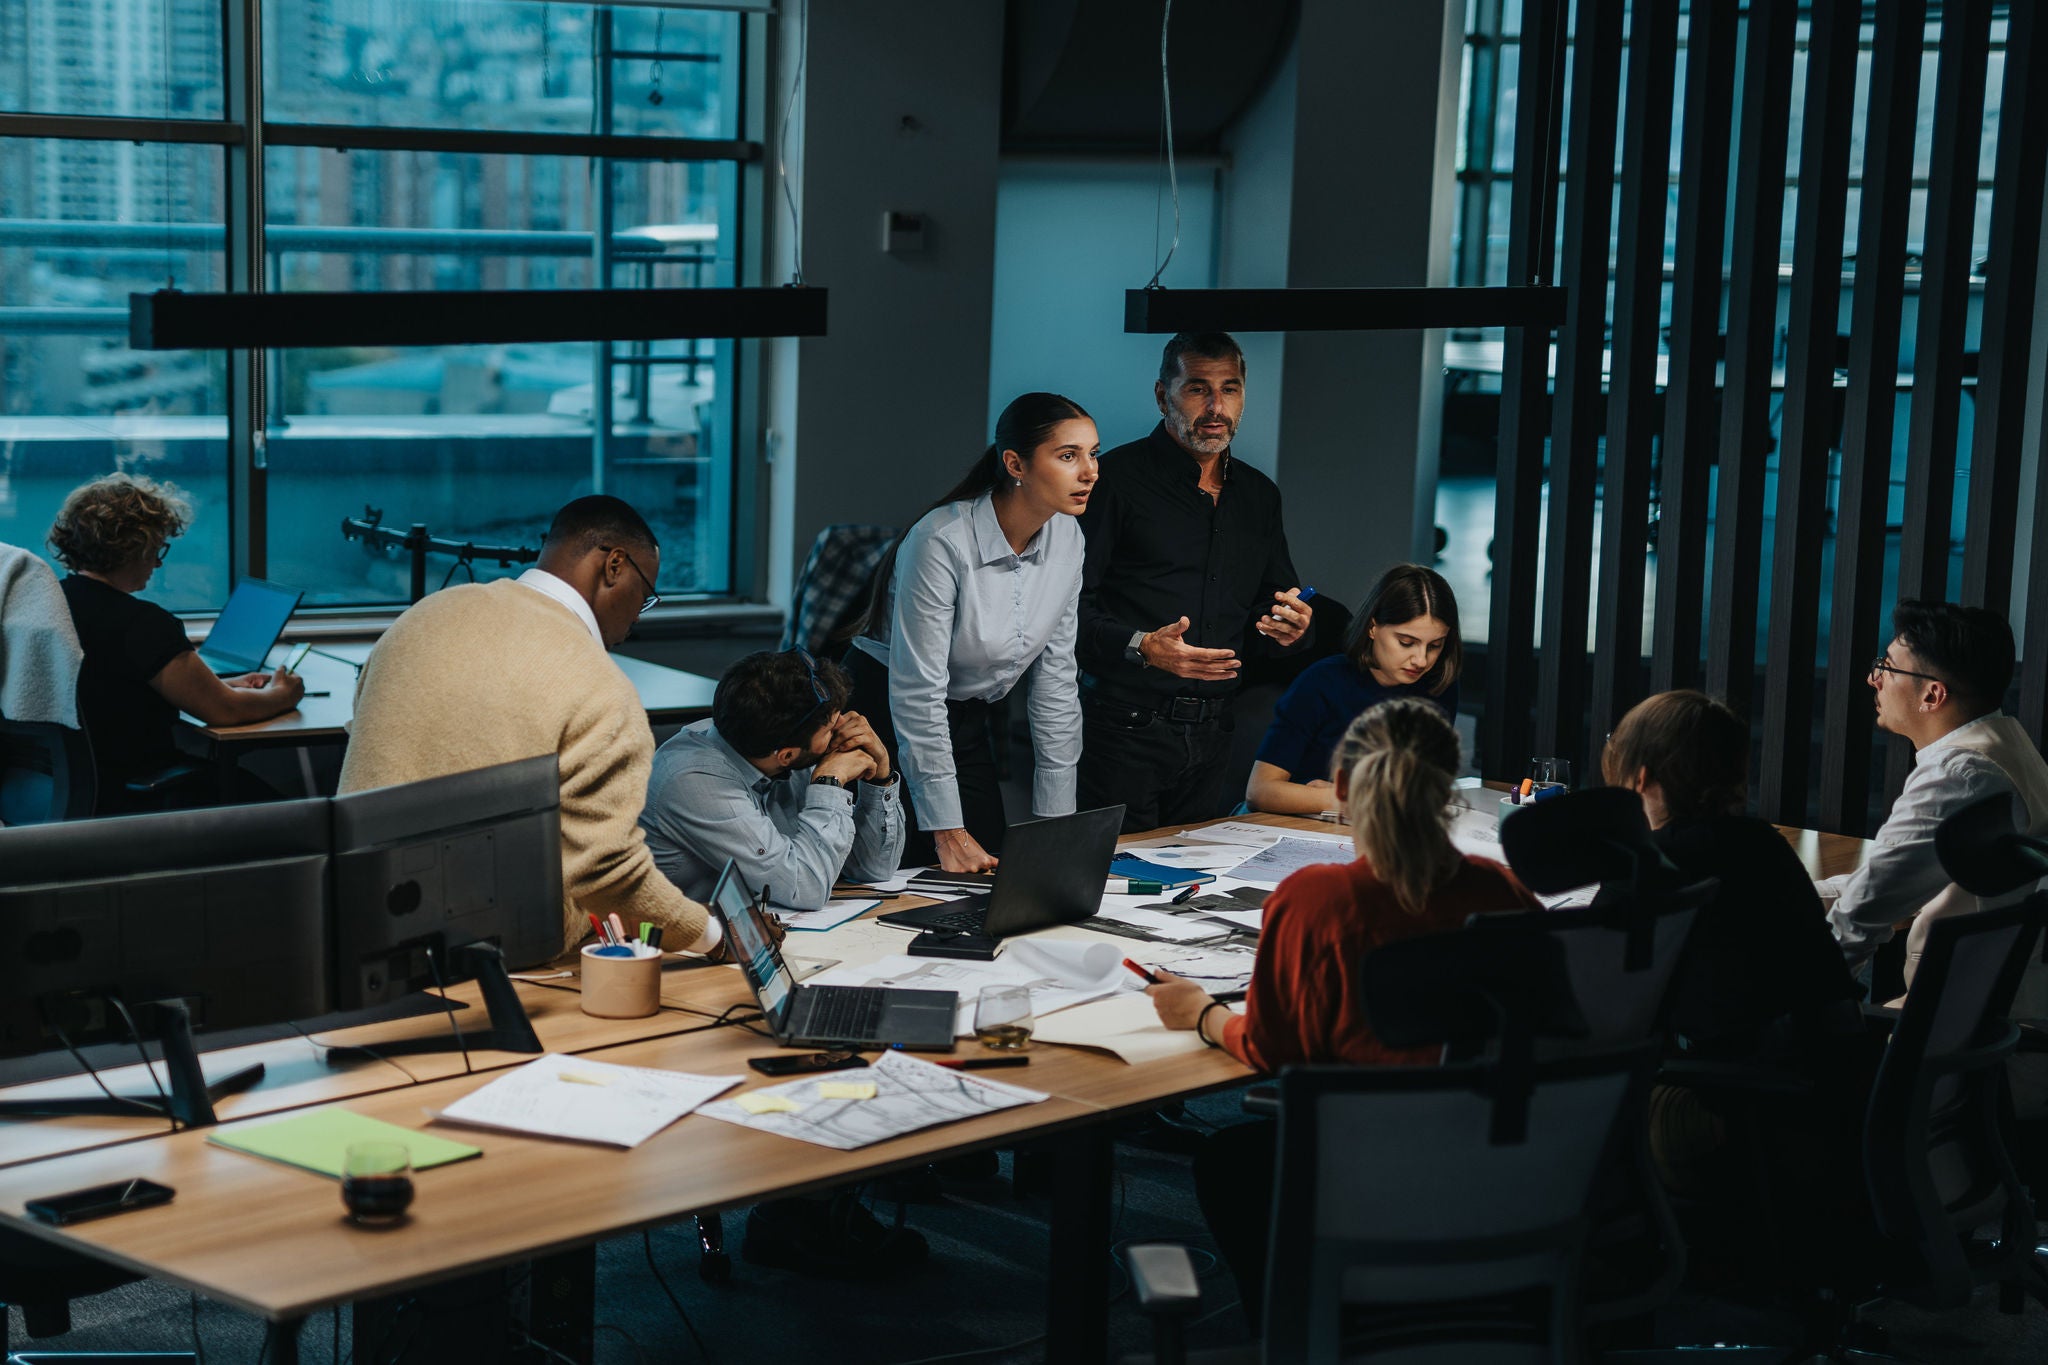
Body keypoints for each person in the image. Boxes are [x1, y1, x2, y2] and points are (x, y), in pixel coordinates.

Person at [1143, 699, 1539, 1319]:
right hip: (1494, 1154)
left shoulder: (1315, 900)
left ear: (1343, 786)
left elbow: (1274, 1048)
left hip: (1365, 1166)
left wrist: (1199, 1012)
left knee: (1231, 1162)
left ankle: (1292, 1326)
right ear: (1449, 785)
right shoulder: (1500, 890)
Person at [339, 495, 719, 959]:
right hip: (492, 959)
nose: (639, 615)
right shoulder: (599, 686)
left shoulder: (418, 619)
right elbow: (606, 874)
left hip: (352, 928)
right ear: (614, 566)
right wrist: (710, 936)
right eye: (646, 594)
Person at [1597, 691, 1866, 1201]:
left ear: (1640, 775)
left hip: (1721, 1103)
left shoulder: (1648, 866)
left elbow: (1590, 989)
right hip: (1820, 1087)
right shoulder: (1761, 843)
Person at [844, 392, 1097, 872]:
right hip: (884, 712)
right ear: (1015, 464)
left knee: (997, 870)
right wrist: (946, 830)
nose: (1089, 471)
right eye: (1068, 456)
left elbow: (1057, 684)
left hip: (965, 715)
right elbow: (918, 693)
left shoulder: (1069, 537)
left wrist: (1055, 826)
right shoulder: (941, 540)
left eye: (1092, 453)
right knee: (902, 873)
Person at [1076, 330, 1314, 833]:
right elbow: (1064, 608)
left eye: (1229, 389)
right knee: (1113, 887)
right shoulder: (1112, 481)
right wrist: (1142, 646)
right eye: (1197, 388)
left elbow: (1273, 606)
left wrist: (1290, 626)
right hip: (1122, 726)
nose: (1215, 406)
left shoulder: (1258, 495)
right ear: (1163, 395)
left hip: (1216, 731)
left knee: (1193, 886)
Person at [1818, 601, 2048, 1001]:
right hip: (1987, 1010)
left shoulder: (1959, 776)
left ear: (1932, 695)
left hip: (1954, 1025)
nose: (1874, 678)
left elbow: (1861, 914)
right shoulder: (2006, 744)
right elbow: (1884, 882)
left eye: (1887, 667)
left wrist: (1804, 1010)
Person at [46, 473, 304, 811]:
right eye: (155, 549)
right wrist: (283, 695)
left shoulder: (51, 605)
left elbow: (114, 683)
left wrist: (214, 683)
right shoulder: (141, 623)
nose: (158, 562)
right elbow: (224, 710)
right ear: (132, 547)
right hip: (141, 794)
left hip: (61, 791)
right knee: (298, 815)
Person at [641, 648, 905, 908]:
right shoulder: (693, 781)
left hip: (766, 929)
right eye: (831, 726)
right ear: (786, 755)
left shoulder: (778, 742)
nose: (843, 727)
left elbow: (872, 869)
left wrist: (879, 779)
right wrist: (829, 783)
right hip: (682, 943)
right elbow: (805, 888)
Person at [1246, 563, 1461, 815]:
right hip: (1299, 824)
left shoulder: (1439, 686)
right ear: (1372, 627)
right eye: (1406, 643)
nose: (1421, 660)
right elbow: (1260, 791)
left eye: (1434, 645)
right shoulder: (1322, 682)